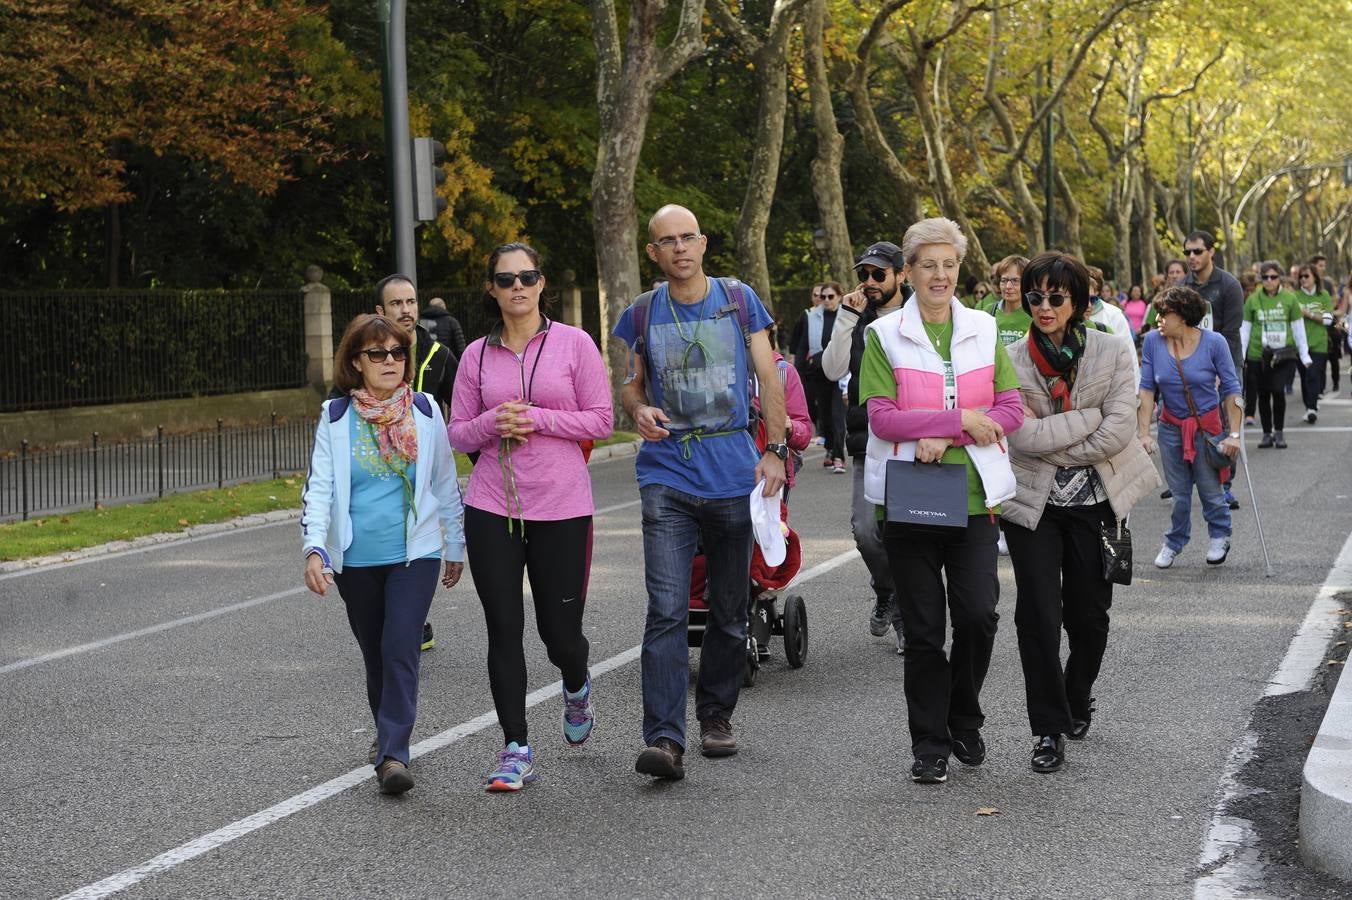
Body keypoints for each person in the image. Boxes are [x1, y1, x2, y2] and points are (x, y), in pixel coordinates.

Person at [613, 204, 786, 780]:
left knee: (730, 608)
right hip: (666, 473)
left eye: (688, 238)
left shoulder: (738, 300)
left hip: (734, 472)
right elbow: (632, 385)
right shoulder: (642, 312)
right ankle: (664, 738)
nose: (680, 248)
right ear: (654, 253)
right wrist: (637, 410)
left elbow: (770, 373)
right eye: (668, 241)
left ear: (703, 243)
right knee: (666, 608)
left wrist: (777, 449)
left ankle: (715, 714)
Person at [858, 217, 1024, 785]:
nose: (939, 275)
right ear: (907, 272)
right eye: (927, 264)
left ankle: (963, 715)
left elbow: (1009, 410)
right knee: (926, 630)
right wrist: (957, 420)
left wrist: (947, 433)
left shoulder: (983, 326)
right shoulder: (882, 336)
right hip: (909, 499)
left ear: (960, 270)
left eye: (949, 264)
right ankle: (929, 743)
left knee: (978, 616)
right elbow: (881, 418)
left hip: (977, 498)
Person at [448, 242, 613, 792]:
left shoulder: (575, 344)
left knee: (559, 633)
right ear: (491, 290)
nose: (517, 286)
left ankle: (575, 681)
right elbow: (457, 432)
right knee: (503, 630)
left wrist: (537, 419)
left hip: (562, 507)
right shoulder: (474, 356)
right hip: (492, 505)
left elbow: (603, 419)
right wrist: (495, 420)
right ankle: (515, 747)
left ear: (542, 284)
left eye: (528, 276)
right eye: (505, 279)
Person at [1002, 252, 1158, 774]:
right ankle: (1048, 728)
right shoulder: (1012, 358)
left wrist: (1055, 438)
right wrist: (1084, 421)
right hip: (1034, 505)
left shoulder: (1113, 349)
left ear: (1078, 302)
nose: (1043, 307)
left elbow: (1118, 431)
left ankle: (1077, 693)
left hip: (1098, 504)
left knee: (1088, 617)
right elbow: (1019, 435)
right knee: (1038, 616)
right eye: (1034, 297)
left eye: (1055, 297)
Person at [301, 313, 466, 795]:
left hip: (415, 554)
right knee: (376, 652)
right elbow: (320, 490)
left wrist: (454, 542)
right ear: (357, 362)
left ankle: (394, 753)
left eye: (398, 353)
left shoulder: (428, 409)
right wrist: (315, 549)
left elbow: (443, 482)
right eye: (378, 354)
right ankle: (386, 731)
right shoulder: (335, 417)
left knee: (400, 645)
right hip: (356, 559)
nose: (390, 361)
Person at [823, 241, 909, 649]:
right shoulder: (855, 317)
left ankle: (908, 618)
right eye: (864, 275)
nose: (869, 282)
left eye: (879, 274)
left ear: (901, 275)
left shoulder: (921, 313)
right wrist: (846, 316)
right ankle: (889, 589)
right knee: (866, 531)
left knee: (909, 531)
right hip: (867, 436)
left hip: (914, 436)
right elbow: (832, 369)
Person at [1137, 286, 1242, 568]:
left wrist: (1234, 434)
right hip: (1170, 427)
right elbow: (1147, 390)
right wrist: (1144, 433)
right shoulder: (1152, 342)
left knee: (1210, 490)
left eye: (1164, 313)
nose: (1158, 318)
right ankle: (1175, 541)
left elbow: (1232, 388)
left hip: (1206, 428)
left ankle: (1220, 534)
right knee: (1179, 494)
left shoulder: (1214, 342)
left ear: (1183, 316)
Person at [1241, 261, 1312, 448]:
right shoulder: (1252, 300)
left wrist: (1304, 354)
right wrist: (1240, 356)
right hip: (1258, 355)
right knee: (1263, 394)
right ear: (1260, 279)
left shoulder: (1290, 299)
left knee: (1278, 391)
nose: (1269, 281)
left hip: (1283, 355)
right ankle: (1266, 433)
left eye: (1273, 277)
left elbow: (1298, 328)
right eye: (1265, 277)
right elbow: (1245, 330)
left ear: (1280, 278)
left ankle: (1279, 432)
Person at [794, 281, 848, 473]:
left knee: (837, 414)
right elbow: (802, 346)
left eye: (830, 296)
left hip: (841, 371)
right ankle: (830, 449)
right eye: (822, 297)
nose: (826, 300)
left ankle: (839, 457)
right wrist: (797, 373)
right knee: (824, 416)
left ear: (840, 297)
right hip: (819, 372)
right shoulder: (811, 316)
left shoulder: (847, 315)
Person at [1295, 263, 1333, 424]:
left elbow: (1328, 320)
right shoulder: (1295, 296)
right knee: (1304, 377)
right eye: (1301, 277)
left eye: (1306, 276)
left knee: (1313, 375)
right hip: (1300, 345)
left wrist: (1308, 314)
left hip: (1319, 344)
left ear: (1315, 278)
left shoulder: (1323, 295)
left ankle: (1312, 408)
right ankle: (1309, 407)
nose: (1303, 279)